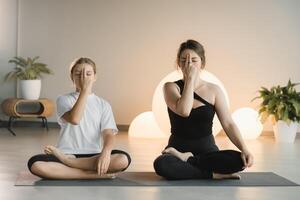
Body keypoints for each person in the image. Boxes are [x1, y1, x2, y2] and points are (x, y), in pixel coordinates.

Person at [153, 40, 254, 180]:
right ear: (179, 63)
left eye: (194, 60)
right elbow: (184, 111)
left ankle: (190, 161)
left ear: (202, 63)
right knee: (161, 165)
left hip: (207, 151)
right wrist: (189, 80)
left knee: (239, 161)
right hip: (176, 150)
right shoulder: (170, 87)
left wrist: (244, 149)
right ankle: (210, 173)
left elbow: (228, 123)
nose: (189, 64)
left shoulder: (214, 90)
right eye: (184, 60)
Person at [27, 57, 131, 179]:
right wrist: (85, 90)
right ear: (72, 77)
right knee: (35, 164)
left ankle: (69, 165)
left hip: (93, 156)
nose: (83, 77)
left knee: (123, 159)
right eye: (78, 74)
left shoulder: (103, 104)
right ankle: (92, 175)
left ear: (95, 77)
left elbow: (108, 134)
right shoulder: (63, 99)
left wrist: (106, 153)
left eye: (88, 74)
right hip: (67, 153)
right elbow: (75, 119)